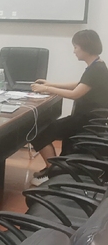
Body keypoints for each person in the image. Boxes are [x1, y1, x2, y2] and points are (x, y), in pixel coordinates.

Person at [29, 30, 108, 185]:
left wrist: (47, 89)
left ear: (86, 48)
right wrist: (51, 83)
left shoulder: (96, 70)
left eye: (76, 47)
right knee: (45, 129)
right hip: (89, 119)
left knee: (38, 133)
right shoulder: (98, 65)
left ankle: (53, 170)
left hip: (85, 121)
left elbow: (75, 94)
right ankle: (54, 168)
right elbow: (80, 84)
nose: (74, 51)